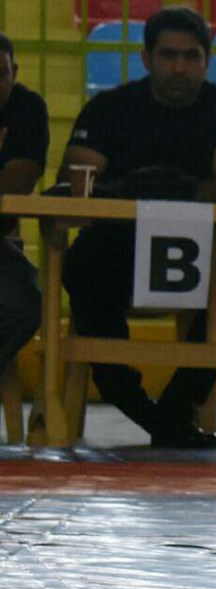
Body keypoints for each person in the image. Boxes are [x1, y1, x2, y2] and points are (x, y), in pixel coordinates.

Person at [58, 6, 216, 449]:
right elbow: (75, 183)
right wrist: (185, 191)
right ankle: (148, 411)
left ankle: (174, 409)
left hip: (199, 251)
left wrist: (141, 190)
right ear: (146, 58)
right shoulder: (109, 107)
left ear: (207, 60)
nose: (180, 67)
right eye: (169, 55)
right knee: (82, 266)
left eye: (191, 56)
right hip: (113, 248)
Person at [0, 33, 48, 371]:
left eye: (0, 74)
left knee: (25, 305)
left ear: (14, 73)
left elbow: (17, 184)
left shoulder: (27, 109)